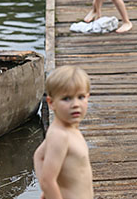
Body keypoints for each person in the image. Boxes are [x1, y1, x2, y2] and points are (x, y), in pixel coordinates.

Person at [33, 65, 93, 199]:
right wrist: (47, 188)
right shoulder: (59, 136)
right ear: (51, 103)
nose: (75, 104)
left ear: (88, 97)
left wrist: (47, 192)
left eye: (81, 97)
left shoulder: (68, 128)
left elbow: (38, 156)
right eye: (67, 98)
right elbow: (48, 181)